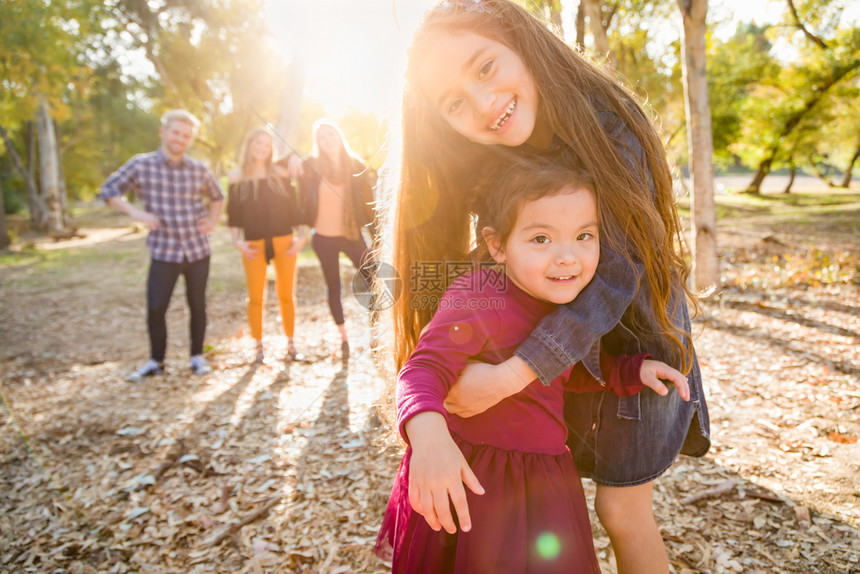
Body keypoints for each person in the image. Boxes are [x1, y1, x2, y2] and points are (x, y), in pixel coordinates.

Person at [383, 1, 711, 572]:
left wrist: (511, 374)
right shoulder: (495, 160)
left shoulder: (611, 126)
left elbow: (616, 272)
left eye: (485, 68)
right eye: (454, 104)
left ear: (517, 39)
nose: (484, 107)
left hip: (637, 331)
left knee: (621, 506)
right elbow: (485, 259)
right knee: (542, 482)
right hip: (553, 348)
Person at [377, 156, 691, 572]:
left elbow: (563, 374)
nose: (567, 257)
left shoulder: (567, 302)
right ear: (497, 245)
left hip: (544, 480)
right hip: (478, 479)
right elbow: (421, 370)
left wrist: (629, 371)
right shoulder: (479, 294)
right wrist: (430, 441)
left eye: (583, 236)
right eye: (541, 239)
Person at [100, 109, 223, 381]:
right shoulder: (141, 165)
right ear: (163, 132)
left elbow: (218, 195)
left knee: (197, 305)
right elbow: (109, 190)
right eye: (176, 133)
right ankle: (156, 361)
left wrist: (212, 220)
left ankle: (197, 356)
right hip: (164, 251)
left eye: (186, 136)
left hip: (197, 250)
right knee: (156, 308)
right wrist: (136, 213)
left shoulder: (198, 168)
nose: (180, 139)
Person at [294, 119, 376, 360]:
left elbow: (369, 206)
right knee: (334, 286)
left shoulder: (356, 165)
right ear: (317, 143)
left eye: (331, 135)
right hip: (323, 238)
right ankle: (344, 338)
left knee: (374, 281)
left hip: (352, 236)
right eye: (322, 137)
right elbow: (285, 170)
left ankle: (375, 333)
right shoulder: (311, 166)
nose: (327, 141)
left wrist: (377, 236)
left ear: (339, 136)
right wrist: (290, 158)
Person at [227, 127, 307, 363]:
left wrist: (301, 237)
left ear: (271, 149)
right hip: (253, 243)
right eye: (257, 144)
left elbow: (295, 208)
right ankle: (258, 346)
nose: (261, 149)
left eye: (266, 145)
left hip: (284, 240)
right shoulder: (237, 177)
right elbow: (234, 215)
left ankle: (291, 344)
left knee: (286, 294)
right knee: (255, 296)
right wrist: (236, 242)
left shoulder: (281, 173)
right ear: (249, 146)